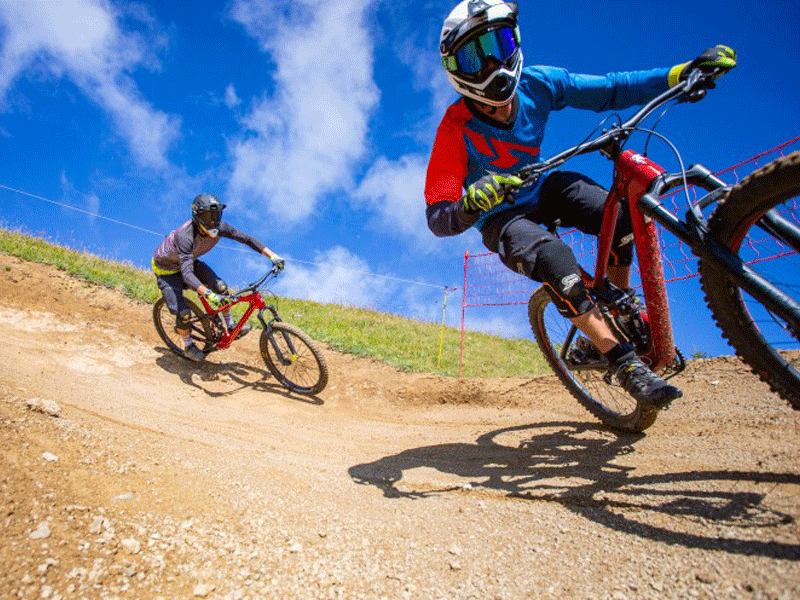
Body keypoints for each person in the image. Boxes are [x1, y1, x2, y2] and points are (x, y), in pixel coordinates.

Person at [425, 0, 736, 408]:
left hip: (543, 187)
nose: (491, 65)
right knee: (557, 261)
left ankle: (618, 304)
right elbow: (437, 216)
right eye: (474, 56)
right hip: (501, 219)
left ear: (514, 43)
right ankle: (620, 360)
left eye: (498, 44)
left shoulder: (539, 84)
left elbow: (612, 89)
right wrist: (468, 205)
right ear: (456, 70)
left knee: (622, 216)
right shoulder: (454, 129)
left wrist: (679, 74)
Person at [152, 193, 285, 362]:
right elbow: (186, 275)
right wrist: (208, 294)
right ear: (197, 216)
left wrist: (273, 256)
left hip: (188, 263)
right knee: (183, 313)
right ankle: (187, 345)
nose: (213, 221)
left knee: (221, 288)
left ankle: (229, 325)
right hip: (167, 270)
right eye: (208, 216)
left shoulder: (221, 227)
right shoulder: (185, 236)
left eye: (216, 215)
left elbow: (247, 239)